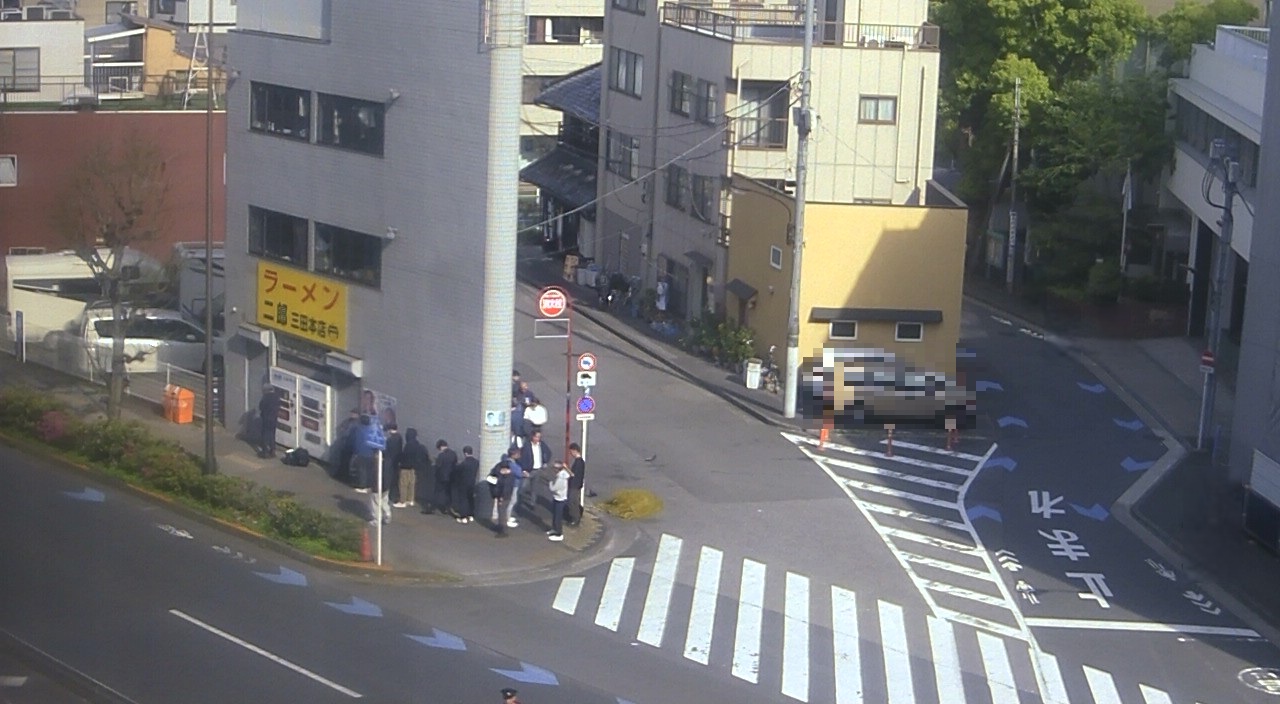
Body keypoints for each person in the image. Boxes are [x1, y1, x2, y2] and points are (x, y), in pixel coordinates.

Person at [351, 414, 385, 495]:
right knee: (369, 471)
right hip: (371, 453)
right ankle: (369, 486)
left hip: (361, 453)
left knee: (362, 471)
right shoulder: (371, 430)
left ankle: (363, 486)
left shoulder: (358, 430)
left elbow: (355, 441)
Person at [519, 429, 552, 511]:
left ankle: (532, 504)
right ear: (532, 436)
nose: (538, 439)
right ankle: (519, 502)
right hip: (528, 470)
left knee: (534, 488)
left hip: (538, 470)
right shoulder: (526, 446)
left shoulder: (541, 444)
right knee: (522, 487)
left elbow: (548, 452)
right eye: (536, 437)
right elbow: (521, 458)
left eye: (539, 437)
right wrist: (523, 470)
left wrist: (545, 461)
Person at [399, 428, 428, 508]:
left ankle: (403, 501)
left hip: (405, 467)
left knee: (403, 485)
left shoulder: (408, 445)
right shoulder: (417, 444)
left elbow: (404, 456)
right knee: (411, 485)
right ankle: (410, 500)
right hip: (414, 468)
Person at [488, 457, 516, 537]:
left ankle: (502, 530)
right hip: (505, 497)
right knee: (502, 513)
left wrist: (501, 497)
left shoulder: (506, 478)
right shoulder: (510, 476)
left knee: (502, 513)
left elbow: (505, 489)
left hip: (503, 497)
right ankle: (502, 528)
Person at [431, 439, 458, 516]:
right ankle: (448, 508)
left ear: (441, 447)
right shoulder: (453, 454)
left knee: (437, 493)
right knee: (448, 494)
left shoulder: (441, 455)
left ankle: (433, 508)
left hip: (441, 477)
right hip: (450, 477)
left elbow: (438, 466)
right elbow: (455, 463)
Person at [452, 445, 479, 523]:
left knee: (463, 500)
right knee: (471, 499)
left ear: (465, 453)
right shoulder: (476, 462)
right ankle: (471, 515)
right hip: (472, 483)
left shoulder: (463, 463)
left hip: (463, 484)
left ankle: (463, 517)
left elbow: (457, 472)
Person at [547, 461, 570, 541]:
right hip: (557, 497)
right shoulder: (562, 474)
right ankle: (554, 529)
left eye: (554, 468)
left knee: (558, 517)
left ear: (557, 469)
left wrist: (550, 483)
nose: (553, 469)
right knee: (555, 515)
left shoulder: (561, 479)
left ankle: (559, 533)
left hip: (560, 499)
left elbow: (553, 488)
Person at [256, 384, 281, 458]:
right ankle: (273, 451)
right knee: (272, 435)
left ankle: (265, 452)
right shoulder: (276, 397)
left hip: (266, 418)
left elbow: (261, 406)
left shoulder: (266, 397)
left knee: (265, 435)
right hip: (274, 418)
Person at [383, 423, 404, 505]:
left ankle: (389, 496)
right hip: (396, 461)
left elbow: (386, 450)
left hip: (389, 461)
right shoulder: (399, 437)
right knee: (395, 480)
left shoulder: (390, 439)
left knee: (388, 479)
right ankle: (394, 497)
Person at [566, 442, 586, 526]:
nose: (571, 454)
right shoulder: (581, 461)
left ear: (575, 451)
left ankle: (575, 518)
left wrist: (566, 468)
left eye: (571, 452)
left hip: (574, 485)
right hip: (577, 484)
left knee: (572, 501)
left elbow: (573, 474)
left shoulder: (578, 462)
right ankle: (576, 517)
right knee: (575, 501)